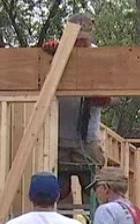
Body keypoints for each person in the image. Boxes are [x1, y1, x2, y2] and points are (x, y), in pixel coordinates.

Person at [42, 13, 111, 202]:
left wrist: (87, 88)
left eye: (83, 41)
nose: (79, 45)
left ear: (91, 36)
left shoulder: (99, 58)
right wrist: (51, 52)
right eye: (76, 40)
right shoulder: (59, 50)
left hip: (87, 138)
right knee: (60, 192)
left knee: (94, 191)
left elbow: (107, 99)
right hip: (58, 137)